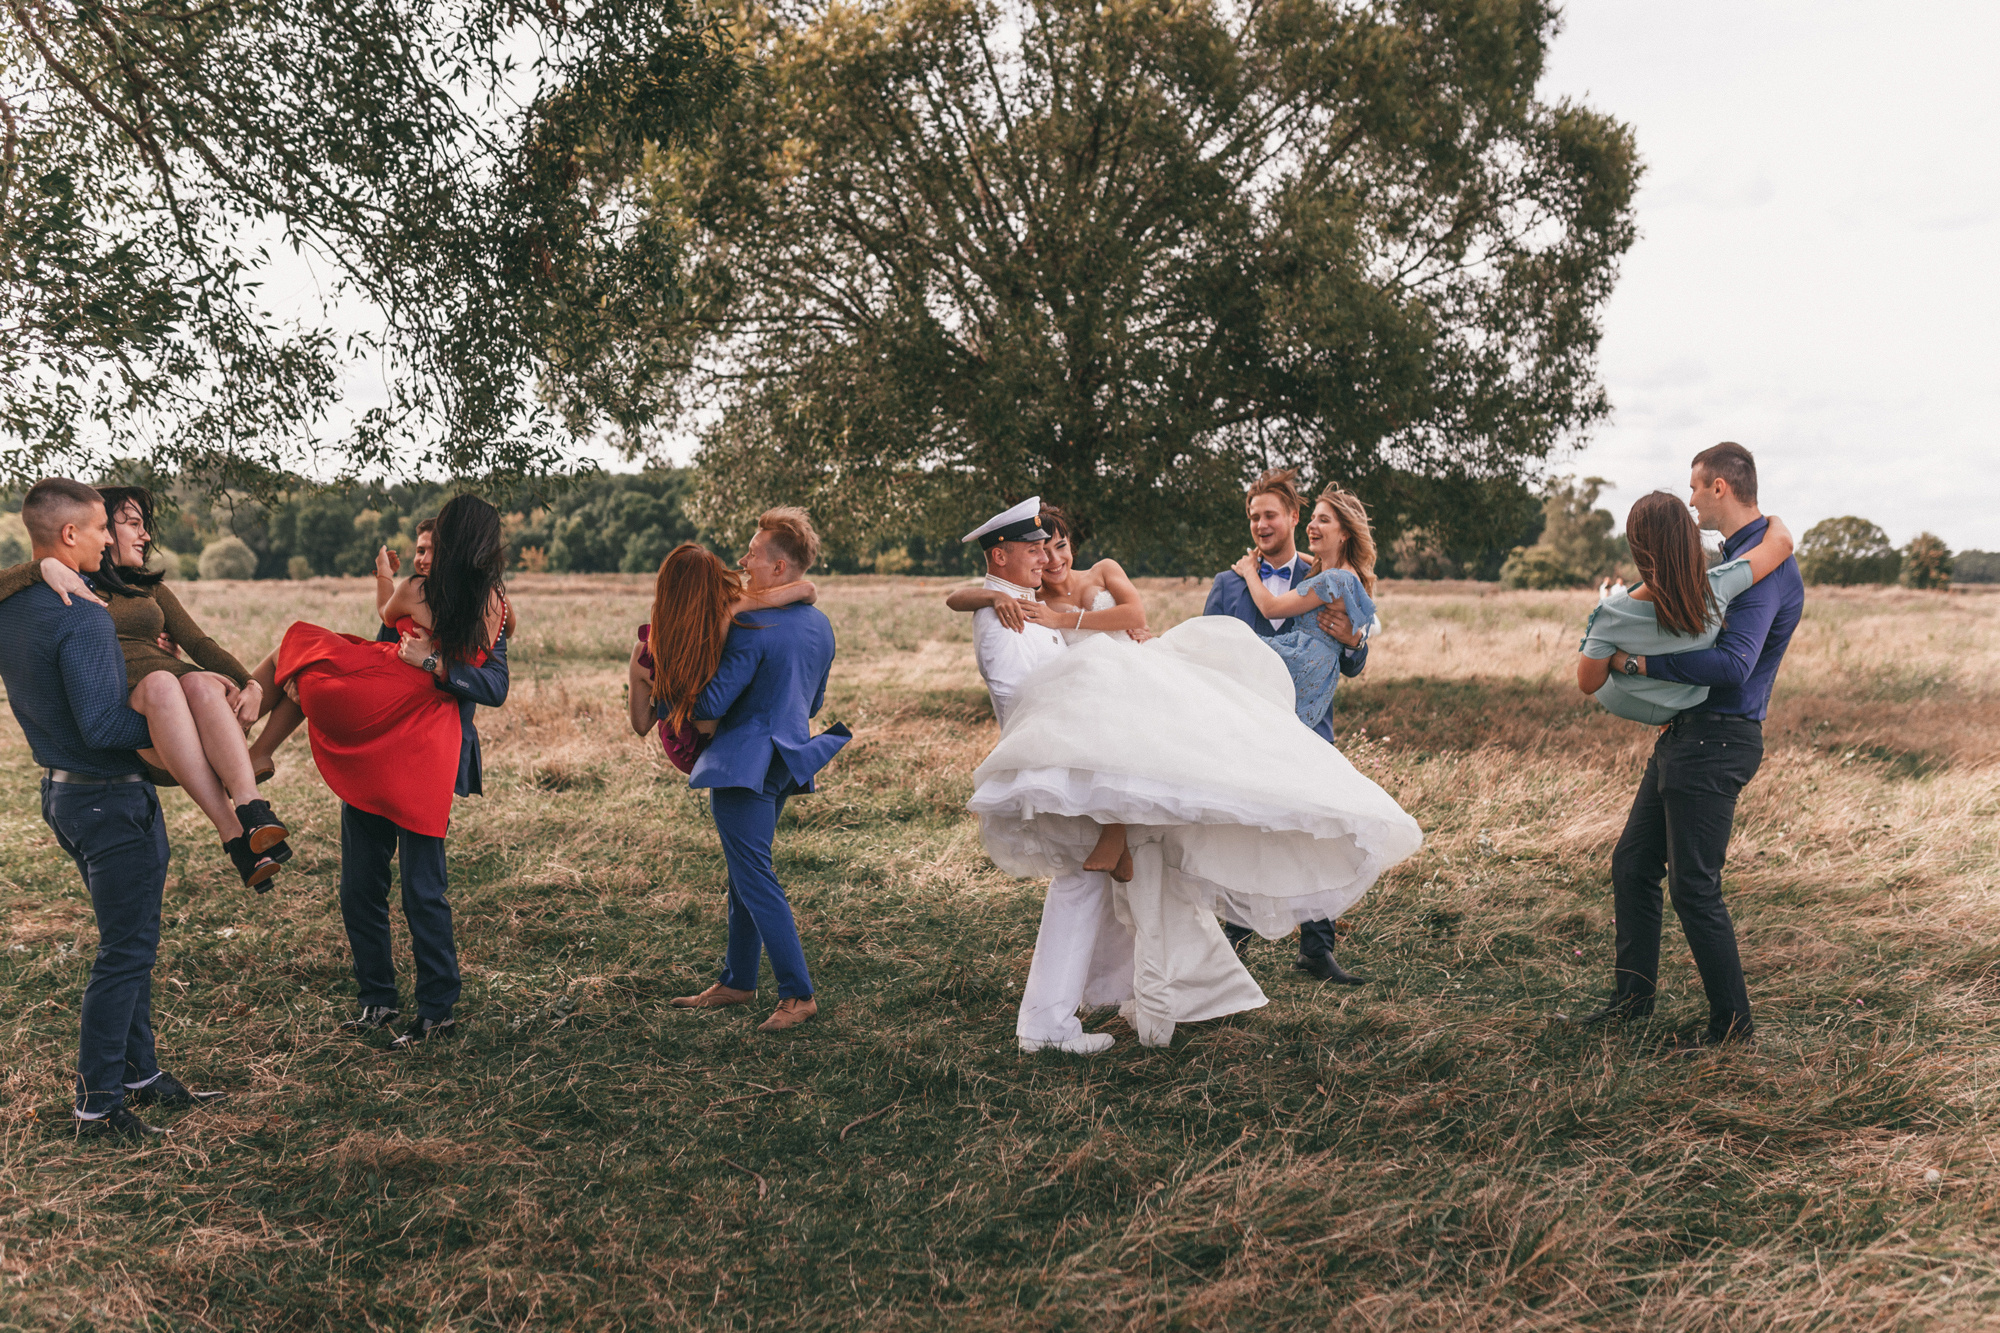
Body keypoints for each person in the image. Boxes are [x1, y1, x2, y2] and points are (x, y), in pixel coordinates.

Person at [954, 498, 1423, 1052]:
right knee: (1109, 873)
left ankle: (1114, 986)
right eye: (1036, 549)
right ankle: (1064, 1014)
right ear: (1005, 555)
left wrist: (1353, 642)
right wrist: (992, 593)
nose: (1047, 558)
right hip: (1100, 739)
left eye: (1053, 546)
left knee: (1129, 865)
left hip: (1261, 712)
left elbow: (1132, 621)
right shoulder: (1022, 605)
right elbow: (1017, 679)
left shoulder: (1042, 592)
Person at [0, 479, 227, 1141]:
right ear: (69, 536)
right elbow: (103, 724)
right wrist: (180, 725)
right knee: (126, 951)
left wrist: (37, 562)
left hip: (64, 794)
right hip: (109, 797)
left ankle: (139, 1074)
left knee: (129, 939)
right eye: (100, 528)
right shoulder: (85, 613)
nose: (109, 540)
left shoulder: (16, 605)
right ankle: (99, 1103)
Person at [1564, 443, 1804, 1052]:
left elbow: (1732, 664)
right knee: (1633, 864)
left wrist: (1638, 659)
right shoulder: (1737, 557)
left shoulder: (1762, 568)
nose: (1690, 496)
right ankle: (1633, 1000)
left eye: (1696, 486)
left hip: (1719, 739)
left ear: (1720, 487)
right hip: (1690, 736)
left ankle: (1732, 1027)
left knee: (1695, 886)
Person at [252, 494, 511, 1048]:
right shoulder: (426, 594)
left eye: (431, 549)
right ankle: (377, 1000)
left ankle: (437, 1009)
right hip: (376, 752)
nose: (422, 558)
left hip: (423, 757)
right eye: (417, 549)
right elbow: (382, 650)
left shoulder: (489, 606)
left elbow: (493, 686)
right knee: (358, 887)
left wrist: (434, 662)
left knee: (423, 890)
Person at [0, 486, 292, 888]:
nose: (145, 535)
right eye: (129, 524)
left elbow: (200, 643)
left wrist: (249, 683)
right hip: (146, 709)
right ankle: (230, 830)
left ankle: (252, 813)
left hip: (182, 699)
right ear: (82, 532)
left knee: (201, 684)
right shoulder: (72, 587)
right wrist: (41, 567)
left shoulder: (147, 589)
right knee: (161, 684)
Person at [649, 510, 850, 1032]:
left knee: (755, 876)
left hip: (744, 765)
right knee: (745, 873)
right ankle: (738, 979)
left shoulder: (751, 625)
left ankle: (798, 994)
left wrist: (664, 677)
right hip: (787, 757)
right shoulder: (820, 624)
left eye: (753, 553)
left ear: (779, 567)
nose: (743, 560)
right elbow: (816, 697)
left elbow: (708, 704)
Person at [1201, 469, 1370, 983]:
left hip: (1308, 727)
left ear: (1293, 517)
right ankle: (1232, 942)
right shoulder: (1228, 584)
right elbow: (1212, 653)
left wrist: (1354, 642)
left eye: (1269, 515)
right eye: (1253, 517)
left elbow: (1352, 662)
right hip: (1248, 728)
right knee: (1248, 828)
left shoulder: (1320, 575)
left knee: (1315, 828)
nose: (1260, 525)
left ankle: (1317, 950)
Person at [1576, 497, 1794, 724]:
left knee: (1596, 652)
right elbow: (1783, 544)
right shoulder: (1719, 585)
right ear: (1691, 539)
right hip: (1683, 703)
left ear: (1635, 548)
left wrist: (1613, 658)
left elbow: (1588, 684)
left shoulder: (1610, 613)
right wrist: (1771, 519)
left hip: (1626, 701)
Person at [1229, 485, 1381, 729]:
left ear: (1344, 533)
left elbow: (1270, 608)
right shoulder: (1343, 574)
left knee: (1229, 643)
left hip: (1303, 662)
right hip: (1320, 671)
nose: (1312, 526)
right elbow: (1318, 566)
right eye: (1312, 518)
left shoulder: (1332, 580)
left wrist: (1249, 570)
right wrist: (1274, 552)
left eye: (1324, 520)